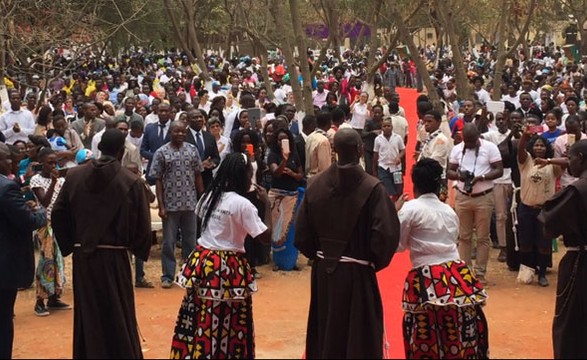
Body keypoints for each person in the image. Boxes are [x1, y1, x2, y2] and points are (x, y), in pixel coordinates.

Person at [294, 128, 400, 358]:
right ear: (361, 150)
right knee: (358, 334)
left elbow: (301, 235)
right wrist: (367, 261)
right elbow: (386, 237)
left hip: (324, 273)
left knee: (326, 329)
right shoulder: (374, 189)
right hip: (358, 273)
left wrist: (323, 256)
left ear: (334, 151)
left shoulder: (316, 185)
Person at [51, 129, 152, 358]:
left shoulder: (74, 176)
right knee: (118, 309)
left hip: (84, 258)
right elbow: (143, 225)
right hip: (115, 258)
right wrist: (135, 246)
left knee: (89, 311)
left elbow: (58, 214)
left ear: (100, 148)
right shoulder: (131, 181)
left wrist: (71, 244)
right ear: (121, 151)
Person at [170, 153, 271, 359]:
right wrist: (267, 204)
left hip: (204, 262)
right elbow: (265, 238)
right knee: (230, 320)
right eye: (250, 174)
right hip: (227, 268)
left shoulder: (209, 196)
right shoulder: (242, 205)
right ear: (243, 175)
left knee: (200, 315)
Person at [396, 158, 489, 358]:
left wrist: (394, 211)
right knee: (458, 329)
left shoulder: (410, 209)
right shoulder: (449, 211)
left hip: (428, 278)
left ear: (415, 184)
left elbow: (397, 245)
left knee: (426, 335)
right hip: (458, 275)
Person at [539, 139, 587, 359]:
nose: (568, 163)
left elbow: (549, 222)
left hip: (580, 262)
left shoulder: (576, 190)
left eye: (570, 158)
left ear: (581, 159)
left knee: (570, 321)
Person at [0, 142, 47, 359]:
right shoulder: (6, 188)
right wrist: (39, 210)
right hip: (5, 266)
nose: (13, 163)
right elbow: (28, 222)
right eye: (9, 159)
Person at [149, 121, 204, 288]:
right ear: (170, 132)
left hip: (190, 204)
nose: (180, 134)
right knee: (168, 242)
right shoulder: (161, 152)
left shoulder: (192, 150)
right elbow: (157, 180)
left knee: (190, 242)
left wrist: (202, 199)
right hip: (170, 205)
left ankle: (189, 274)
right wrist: (162, 205)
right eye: (176, 131)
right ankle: (167, 276)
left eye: (182, 131)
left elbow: (198, 175)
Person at [447, 123, 503, 285]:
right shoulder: (458, 149)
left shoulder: (490, 148)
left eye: (472, 141)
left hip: (484, 197)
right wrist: (460, 175)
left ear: (478, 136)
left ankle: (479, 273)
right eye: (467, 142)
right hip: (463, 196)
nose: (469, 145)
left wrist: (482, 177)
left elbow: (498, 170)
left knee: (482, 237)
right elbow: (449, 172)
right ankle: (464, 272)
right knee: (463, 237)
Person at [516, 126, 564, 287]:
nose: (539, 148)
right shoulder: (526, 161)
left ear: (547, 148)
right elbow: (520, 149)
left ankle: (542, 274)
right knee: (526, 243)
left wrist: (549, 161)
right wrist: (524, 135)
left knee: (544, 245)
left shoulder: (552, 165)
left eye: (542, 145)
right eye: (536, 145)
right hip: (526, 209)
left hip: (544, 210)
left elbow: (566, 163)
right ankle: (527, 272)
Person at [29, 147, 71, 316]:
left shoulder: (61, 181)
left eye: (55, 162)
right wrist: (53, 183)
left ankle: (54, 297)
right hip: (44, 226)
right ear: (42, 163)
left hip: (58, 225)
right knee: (46, 262)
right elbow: (45, 202)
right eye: (49, 163)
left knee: (58, 262)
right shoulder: (36, 180)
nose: (53, 166)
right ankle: (40, 300)